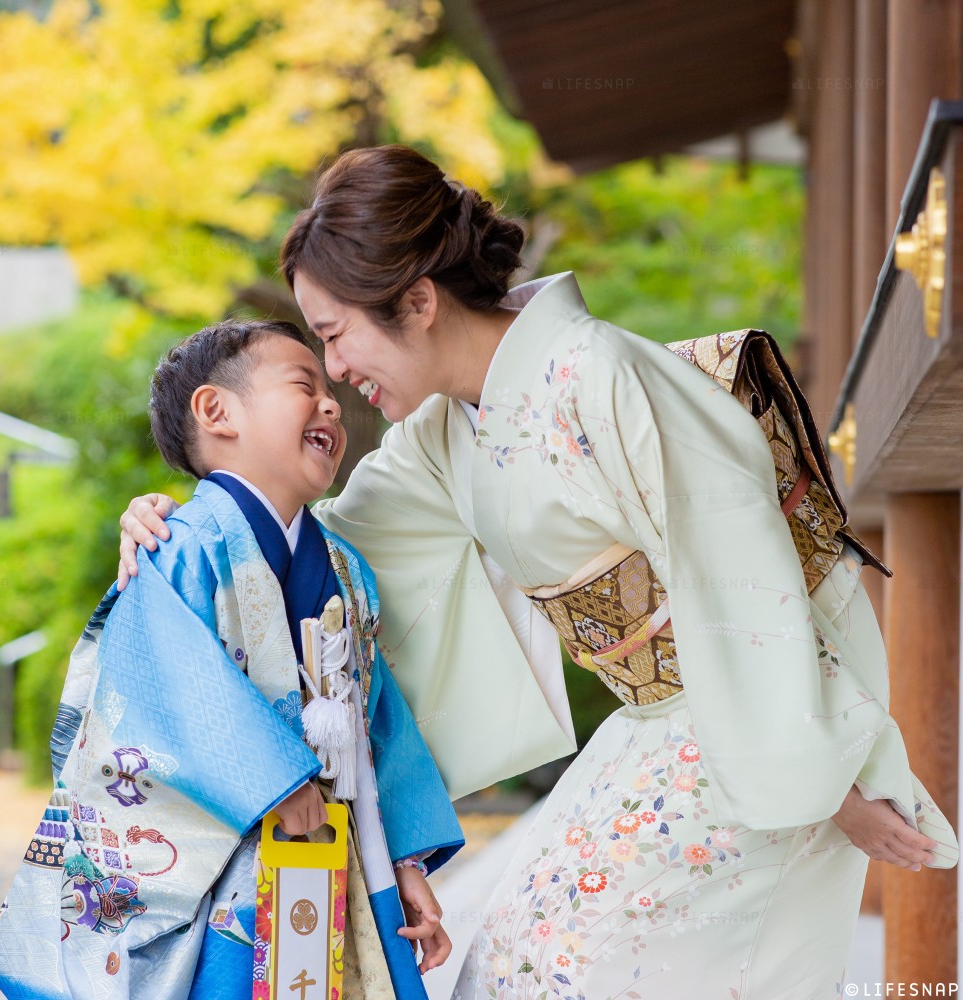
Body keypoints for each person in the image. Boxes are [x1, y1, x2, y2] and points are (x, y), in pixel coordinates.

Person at [117, 146, 959, 999]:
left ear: (417, 301)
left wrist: (826, 781)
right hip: (661, 720)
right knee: (511, 965)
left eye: (334, 336)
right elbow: (308, 559)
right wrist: (190, 530)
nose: (335, 371)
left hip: (766, 713)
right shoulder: (446, 432)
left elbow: (742, 574)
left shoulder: (606, 375)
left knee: (558, 970)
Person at [0, 319, 462, 1000]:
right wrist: (278, 782)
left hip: (347, 849)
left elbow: (379, 719)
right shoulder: (179, 547)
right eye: (305, 385)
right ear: (216, 411)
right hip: (235, 864)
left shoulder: (344, 567)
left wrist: (407, 858)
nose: (331, 403)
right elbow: (163, 686)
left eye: (331, 392)